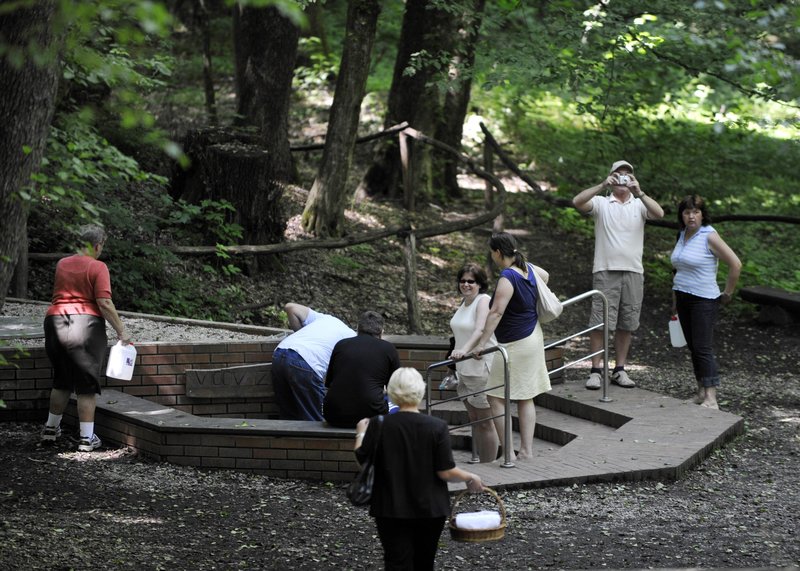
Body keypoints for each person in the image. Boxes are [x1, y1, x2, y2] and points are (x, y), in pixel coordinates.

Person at [355, 367, 484, 570]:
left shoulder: (378, 425)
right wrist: (470, 476)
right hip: (430, 507)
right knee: (424, 561)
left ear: (390, 391)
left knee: (396, 560)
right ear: (421, 390)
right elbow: (445, 471)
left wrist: (360, 434)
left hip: (390, 505)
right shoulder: (436, 426)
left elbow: (363, 461)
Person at [572, 160, 665, 390]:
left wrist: (639, 192)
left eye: (627, 175)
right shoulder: (602, 203)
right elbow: (577, 201)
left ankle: (620, 369)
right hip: (605, 270)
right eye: (618, 174)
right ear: (611, 178)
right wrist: (602, 184)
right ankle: (595, 370)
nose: (623, 178)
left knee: (627, 323)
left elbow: (659, 213)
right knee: (599, 322)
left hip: (633, 271)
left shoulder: (639, 204)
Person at [40, 225, 131, 452]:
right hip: (86, 325)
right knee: (86, 385)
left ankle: (51, 429)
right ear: (97, 245)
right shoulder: (98, 267)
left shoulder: (62, 264)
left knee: (61, 379)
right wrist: (122, 331)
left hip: (55, 322)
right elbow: (104, 302)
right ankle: (86, 438)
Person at [470, 232, 552, 462]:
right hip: (533, 336)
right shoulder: (527, 269)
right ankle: (526, 451)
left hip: (515, 343)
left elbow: (496, 313)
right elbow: (545, 275)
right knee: (525, 396)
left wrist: (482, 343)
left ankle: (508, 453)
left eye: (491, 252)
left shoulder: (508, 276)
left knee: (495, 397)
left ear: (497, 252)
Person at [671, 195, 741, 410]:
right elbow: (678, 269)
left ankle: (712, 398)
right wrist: (673, 303)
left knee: (703, 347)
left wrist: (727, 293)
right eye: (687, 212)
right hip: (682, 296)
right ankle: (701, 392)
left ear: (702, 214)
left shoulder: (709, 235)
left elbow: (736, 264)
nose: (691, 216)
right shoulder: (682, 235)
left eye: (695, 212)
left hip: (704, 299)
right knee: (693, 347)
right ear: (681, 216)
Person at [447, 262, 499, 462]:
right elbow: (458, 336)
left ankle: (488, 465)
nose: (466, 284)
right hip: (463, 368)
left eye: (471, 281)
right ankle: (479, 459)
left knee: (486, 422)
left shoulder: (483, 300)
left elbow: (479, 330)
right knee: (474, 419)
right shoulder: (463, 303)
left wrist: (463, 351)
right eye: (462, 281)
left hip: (481, 366)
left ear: (480, 284)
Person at [271, 303, 355, 421]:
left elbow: (290, 307)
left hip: (279, 354)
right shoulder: (351, 337)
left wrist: (300, 336)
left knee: (288, 417)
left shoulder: (325, 319)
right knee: (315, 421)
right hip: (306, 361)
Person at [323, 311, 401, 428]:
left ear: (358, 328)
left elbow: (329, 383)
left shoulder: (341, 345)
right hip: (372, 415)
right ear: (381, 331)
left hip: (333, 414)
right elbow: (396, 388)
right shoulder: (388, 348)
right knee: (396, 403)